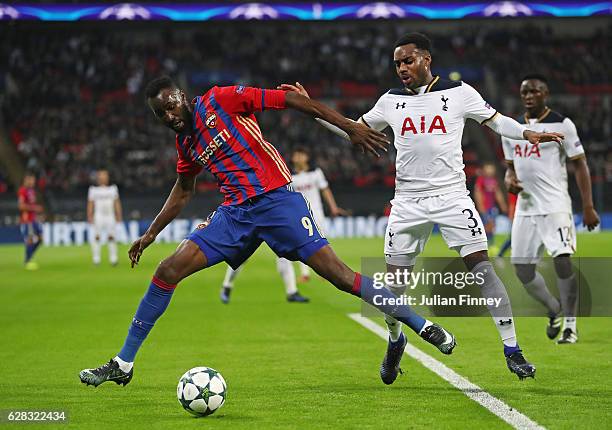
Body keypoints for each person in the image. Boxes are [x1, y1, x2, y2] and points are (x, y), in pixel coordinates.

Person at [79, 76, 458, 388]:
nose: (169, 116)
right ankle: (123, 365)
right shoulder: (187, 143)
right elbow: (184, 190)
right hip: (234, 215)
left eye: (171, 106)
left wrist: (350, 129)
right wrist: (149, 234)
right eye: (161, 114)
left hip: (277, 202)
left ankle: (420, 325)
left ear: (181, 96)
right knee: (166, 271)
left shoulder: (222, 100)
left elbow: (290, 101)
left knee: (340, 277)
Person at [289, 32, 565, 382]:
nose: (402, 68)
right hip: (406, 203)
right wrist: (311, 109)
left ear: (426, 59)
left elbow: (497, 122)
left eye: (408, 61)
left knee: (483, 269)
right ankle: (395, 339)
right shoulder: (390, 101)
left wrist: (527, 134)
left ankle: (513, 350)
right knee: (394, 288)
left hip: (452, 198)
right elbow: (353, 130)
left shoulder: (460, 94)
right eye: (398, 64)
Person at [502, 74, 600, 344]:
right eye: (524, 92)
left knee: (562, 258)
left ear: (546, 93)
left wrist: (588, 206)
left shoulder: (562, 123)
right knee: (521, 269)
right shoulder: (511, 127)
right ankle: (553, 307)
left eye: (534, 91)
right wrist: (509, 180)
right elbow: (510, 168)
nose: (528, 95)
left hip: (555, 205)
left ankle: (570, 324)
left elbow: (579, 163)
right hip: (525, 208)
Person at [219, 147, 347, 304]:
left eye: (301, 154)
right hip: (260, 218)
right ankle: (227, 285)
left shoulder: (311, 173)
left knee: (290, 254)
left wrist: (333, 207)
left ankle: (293, 290)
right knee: (241, 255)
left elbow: (324, 190)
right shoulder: (281, 176)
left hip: (299, 218)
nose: (297, 157)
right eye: (295, 154)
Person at [87, 169, 123, 266]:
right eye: (101, 176)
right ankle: (96, 259)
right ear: (98, 178)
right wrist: (89, 215)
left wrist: (119, 214)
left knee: (111, 237)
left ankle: (113, 258)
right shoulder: (93, 190)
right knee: (96, 237)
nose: (103, 178)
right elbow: (90, 203)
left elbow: (117, 202)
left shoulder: (112, 189)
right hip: (98, 216)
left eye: (104, 176)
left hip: (110, 216)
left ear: (107, 177)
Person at [473, 162, 508, 253]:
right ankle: (483, 245)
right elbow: (478, 193)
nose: (490, 171)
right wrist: (480, 206)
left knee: (492, 226)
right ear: (484, 170)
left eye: (491, 169)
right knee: (486, 226)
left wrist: (502, 205)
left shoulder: (493, 181)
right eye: (488, 169)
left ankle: (490, 245)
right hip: (484, 207)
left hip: (492, 207)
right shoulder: (481, 180)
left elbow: (497, 193)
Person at [18, 173, 44, 270]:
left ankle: (29, 256)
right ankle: (28, 260)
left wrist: (37, 215)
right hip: (27, 220)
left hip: (33, 219)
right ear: (26, 180)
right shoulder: (22, 191)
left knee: (41, 239)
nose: (33, 182)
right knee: (29, 240)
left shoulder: (31, 191)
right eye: (31, 180)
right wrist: (35, 208)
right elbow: (21, 206)